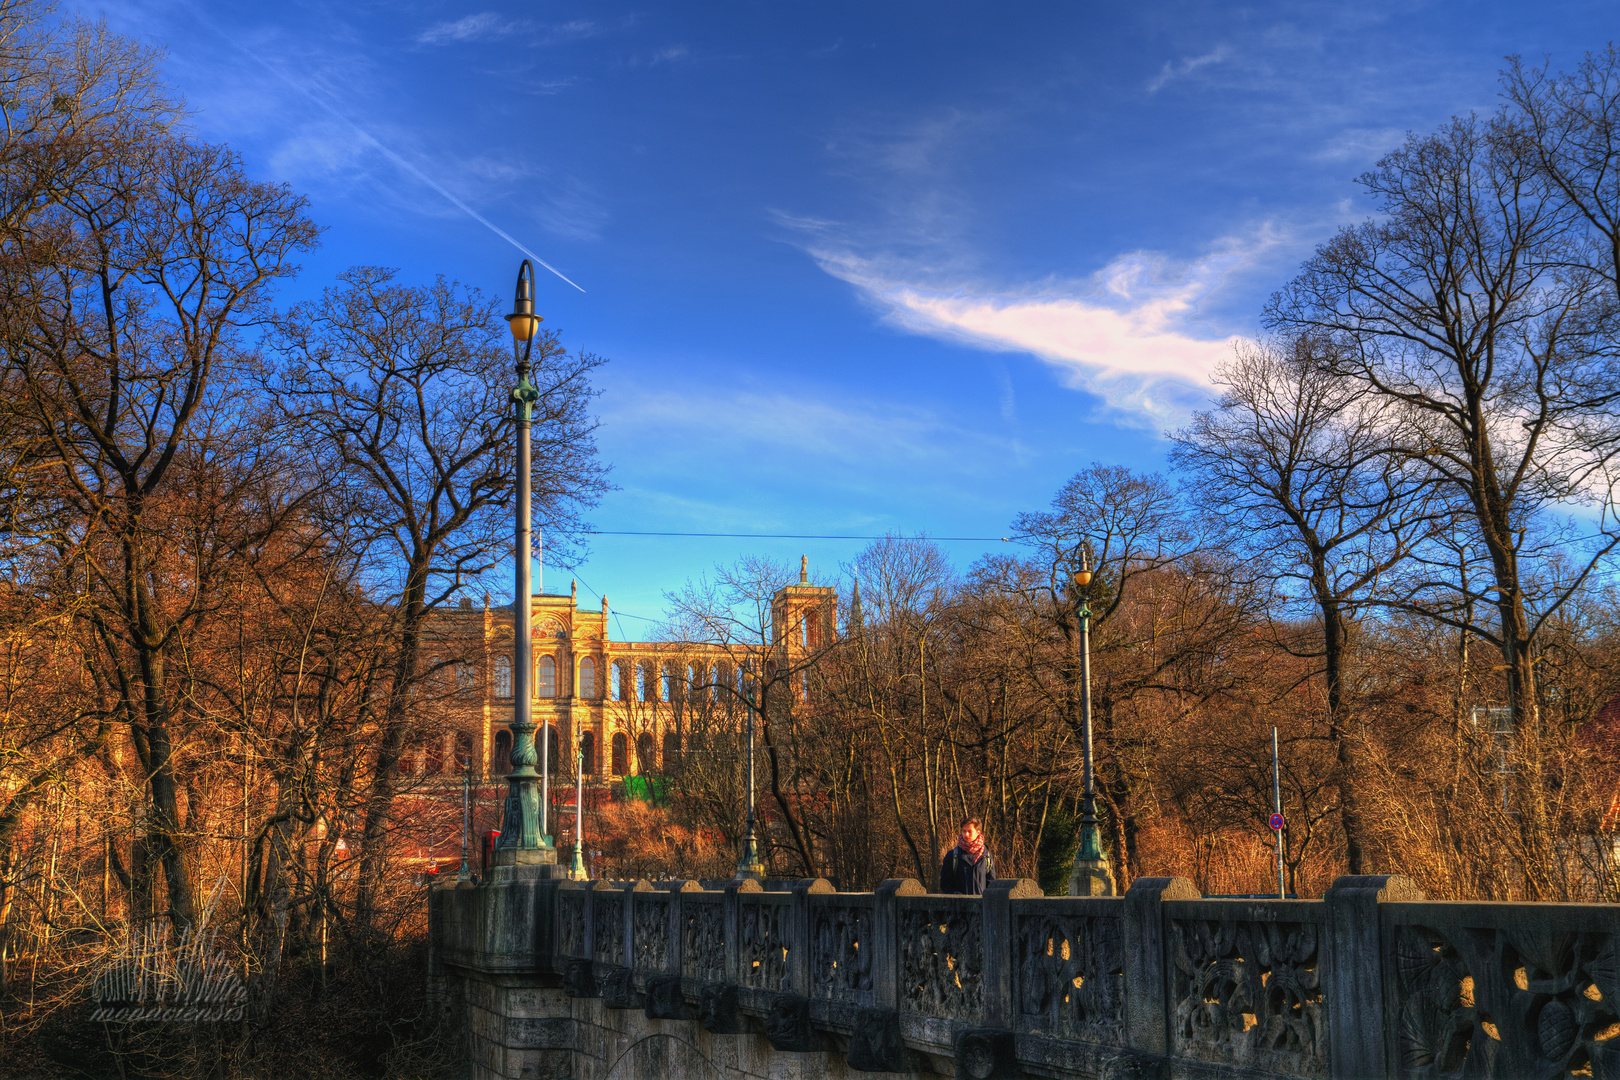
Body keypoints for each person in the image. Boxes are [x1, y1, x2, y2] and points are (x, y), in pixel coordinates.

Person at [939, 817, 994, 895]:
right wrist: (960, 898)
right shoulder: (953, 855)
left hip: (981, 905)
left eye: (969, 831)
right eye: (964, 831)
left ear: (978, 832)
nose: (966, 834)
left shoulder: (986, 855)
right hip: (959, 905)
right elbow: (945, 885)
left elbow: (991, 884)